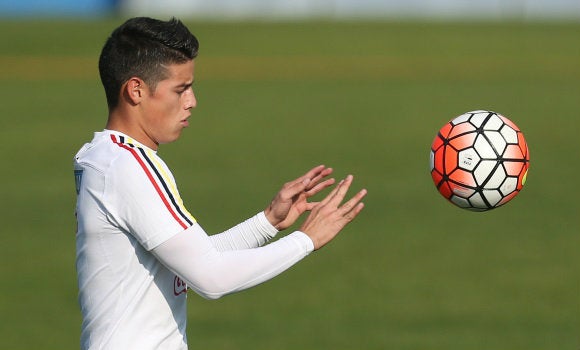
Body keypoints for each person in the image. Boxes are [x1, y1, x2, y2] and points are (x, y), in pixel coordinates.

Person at [73, 17, 367, 350]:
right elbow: (211, 278)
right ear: (136, 90)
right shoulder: (128, 166)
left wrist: (268, 221)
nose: (192, 101)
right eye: (180, 89)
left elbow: (194, 260)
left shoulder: (109, 158)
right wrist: (306, 240)